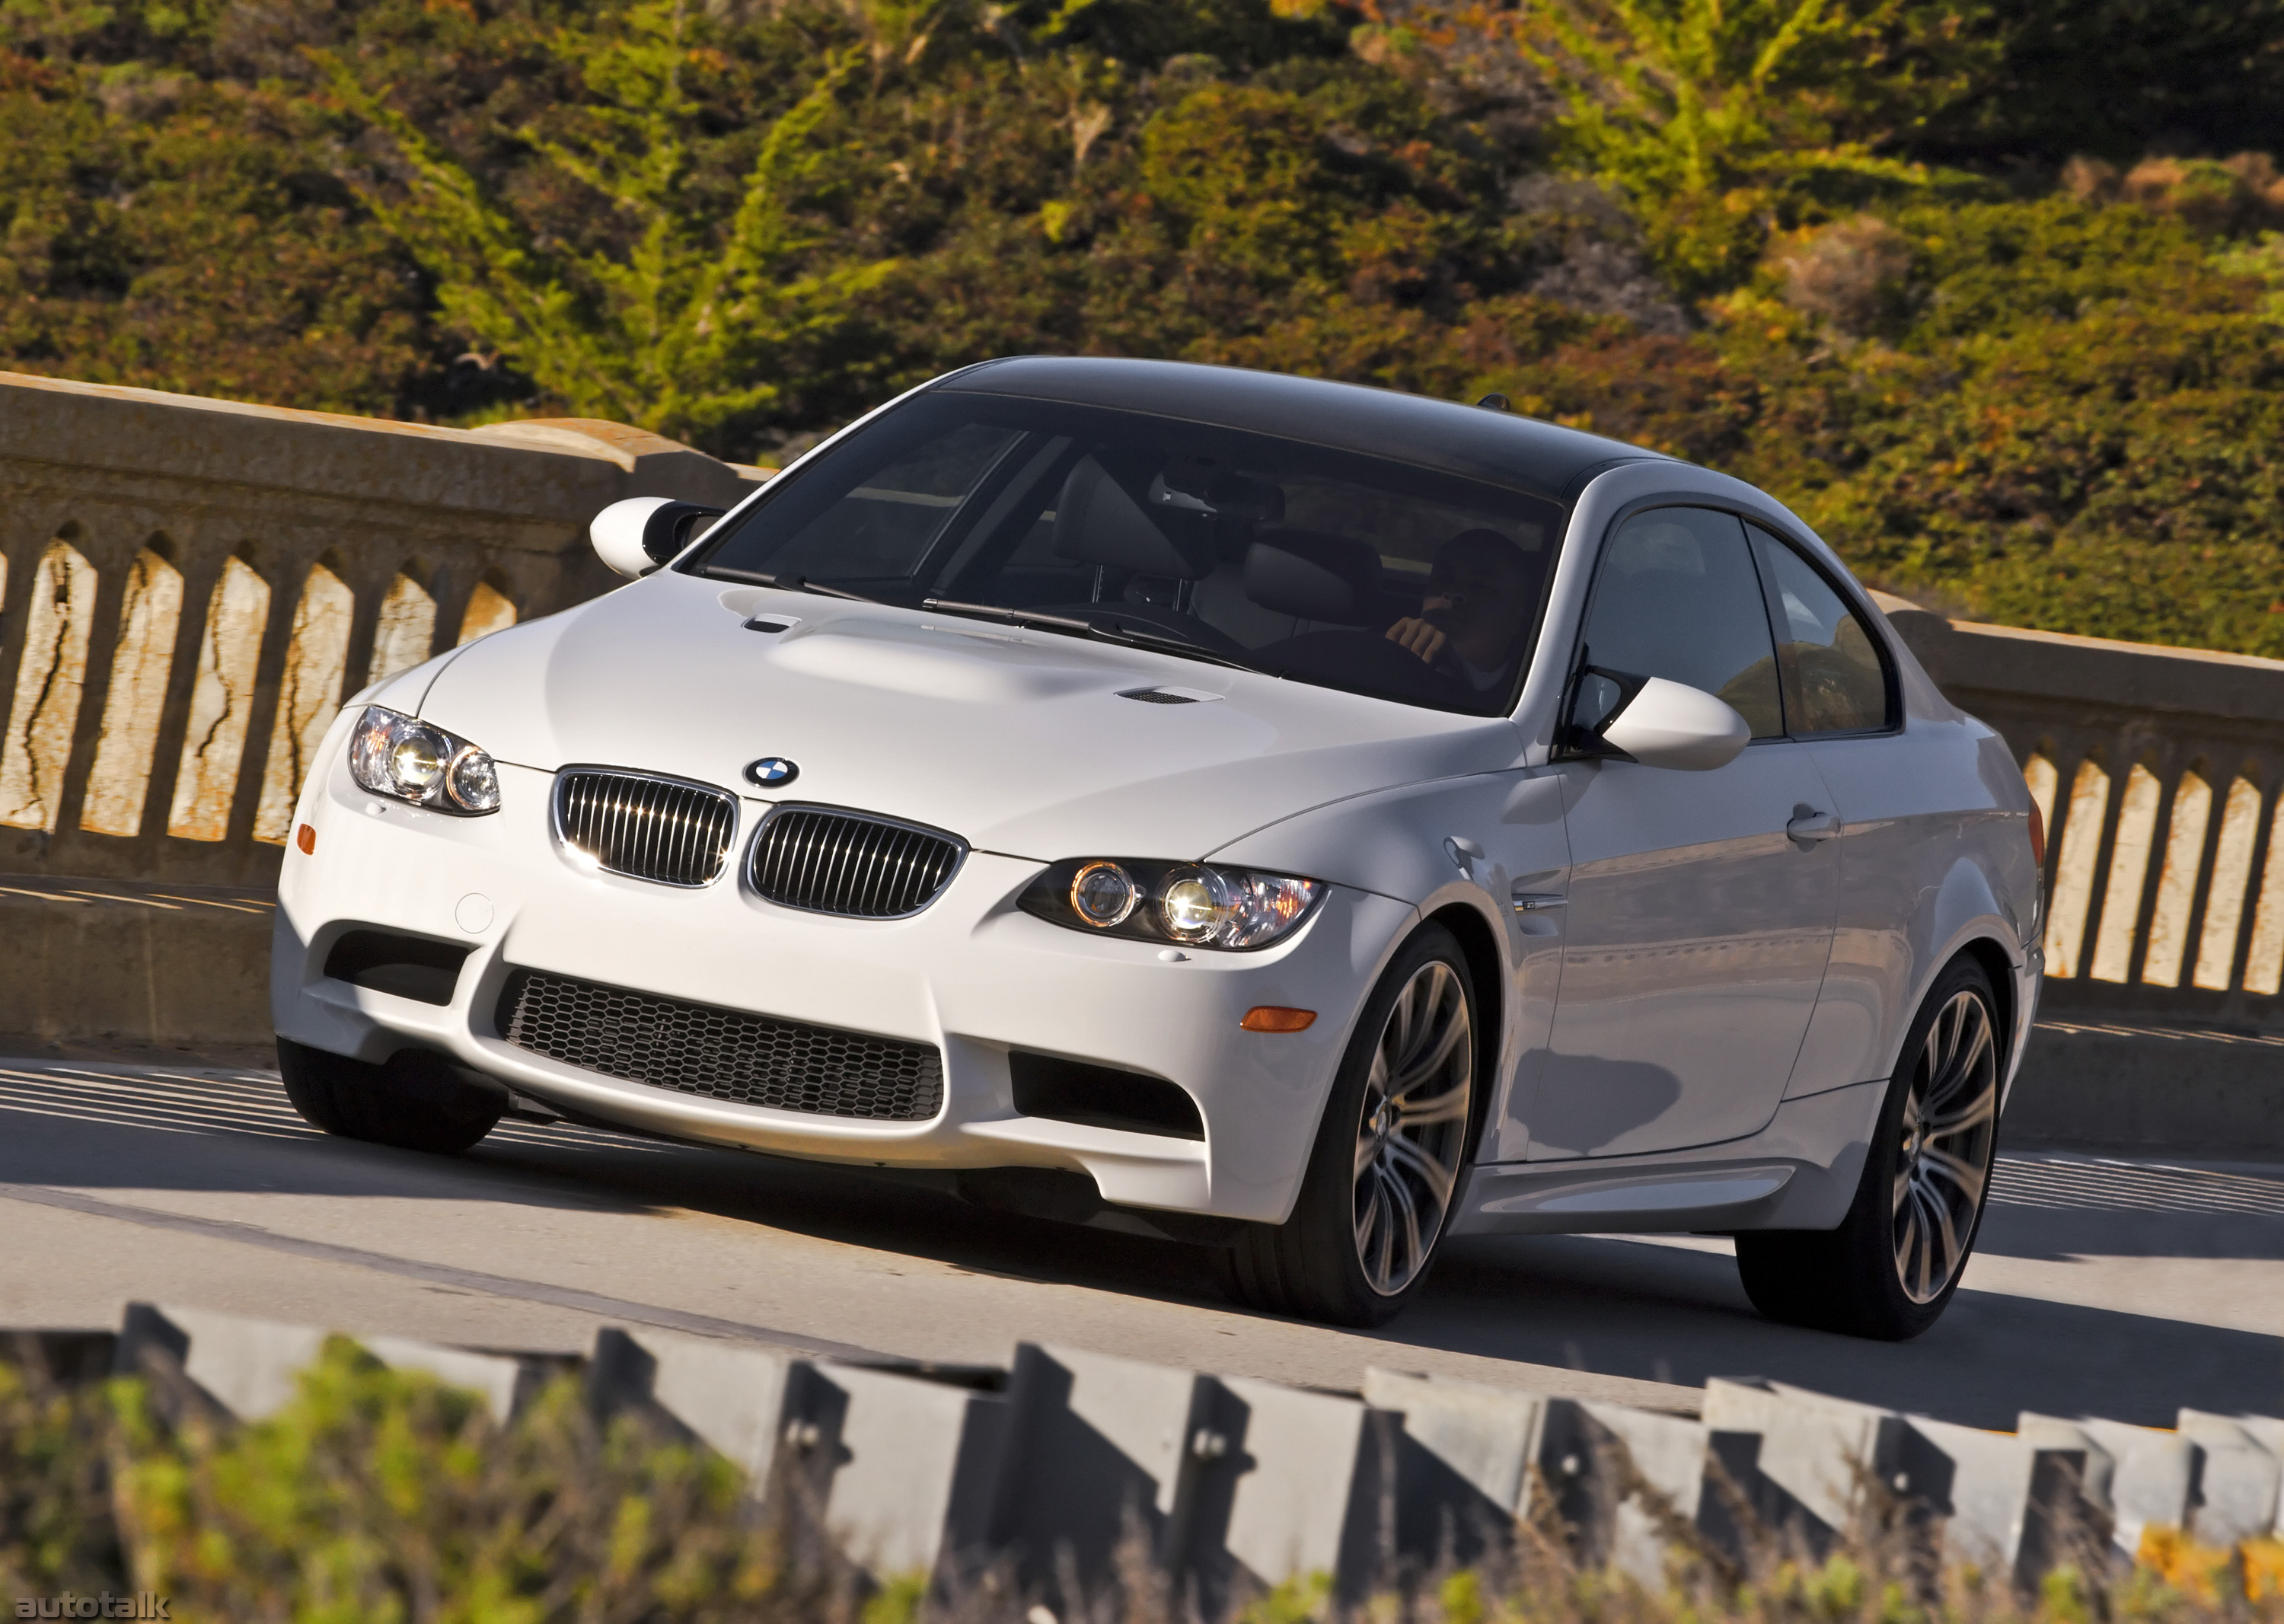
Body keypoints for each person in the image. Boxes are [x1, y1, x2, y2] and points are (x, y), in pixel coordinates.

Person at [1384, 528, 1538, 694]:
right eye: (1443, 579)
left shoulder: (1532, 694)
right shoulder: (1377, 651)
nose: (1452, 592)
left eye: (1480, 586)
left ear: (1518, 617)